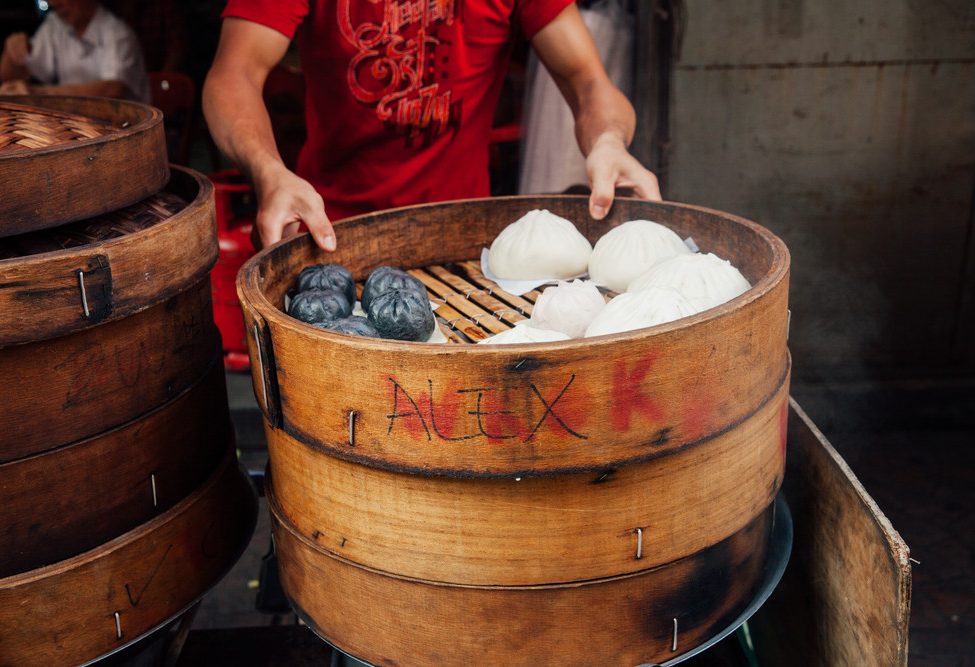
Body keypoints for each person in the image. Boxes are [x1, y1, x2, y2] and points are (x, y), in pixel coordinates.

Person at [203, 1, 661, 252]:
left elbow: (588, 82)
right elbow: (233, 74)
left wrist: (608, 142)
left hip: (463, 241)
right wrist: (269, 170)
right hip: (330, 235)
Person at [0, 0, 150, 102]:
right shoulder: (56, 24)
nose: (53, 3)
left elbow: (113, 90)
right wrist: (11, 51)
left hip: (126, 130)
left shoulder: (118, 33)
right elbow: (12, 76)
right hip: (77, 128)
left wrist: (37, 93)